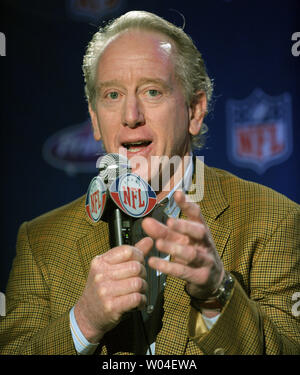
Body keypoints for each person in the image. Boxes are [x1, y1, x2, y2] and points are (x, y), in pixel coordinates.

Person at [0, 10, 299, 355]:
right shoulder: (41, 241)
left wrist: (217, 294)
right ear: (95, 120)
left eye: (152, 92)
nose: (131, 116)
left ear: (195, 110)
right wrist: (83, 322)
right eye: (112, 95)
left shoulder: (275, 220)